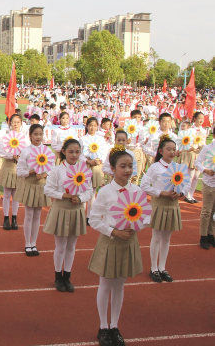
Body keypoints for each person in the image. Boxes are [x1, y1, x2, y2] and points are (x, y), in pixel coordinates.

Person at [88, 145, 147, 346]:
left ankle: (115, 325)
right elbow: (94, 219)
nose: (128, 170)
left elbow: (145, 216)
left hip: (129, 241)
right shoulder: (105, 192)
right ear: (112, 168)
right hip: (111, 241)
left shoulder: (137, 190)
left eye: (130, 166)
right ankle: (103, 327)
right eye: (123, 166)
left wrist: (136, 226)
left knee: (120, 286)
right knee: (105, 285)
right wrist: (115, 231)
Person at [43, 139, 93, 292]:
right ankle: (58, 276)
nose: (74, 155)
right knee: (61, 246)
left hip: (76, 209)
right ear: (63, 151)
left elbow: (89, 191)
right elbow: (48, 190)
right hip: (61, 209)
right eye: (71, 151)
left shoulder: (84, 169)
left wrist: (80, 198)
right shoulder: (57, 170)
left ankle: (67, 276)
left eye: (77, 152)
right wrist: (64, 196)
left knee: (72, 246)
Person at [140, 135, 188, 283]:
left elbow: (185, 185)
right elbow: (144, 186)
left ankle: (162, 267)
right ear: (161, 151)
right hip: (159, 204)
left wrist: (181, 193)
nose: (172, 152)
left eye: (174, 149)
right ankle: (154, 268)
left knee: (167, 238)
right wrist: (161, 193)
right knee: (156, 237)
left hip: (173, 205)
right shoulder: (155, 167)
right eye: (168, 149)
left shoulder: (177, 167)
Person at [15, 124, 51, 256]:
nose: (38, 137)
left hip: (41, 185)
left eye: (40, 134)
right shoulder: (26, 151)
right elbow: (19, 171)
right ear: (30, 135)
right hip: (29, 184)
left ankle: (34, 243)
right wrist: (31, 172)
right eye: (35, 134)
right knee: (29, 215)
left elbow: (51, 169)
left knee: (37, 215)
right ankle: (27, 244)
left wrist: (44, 175)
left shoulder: (47, 151)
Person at [0, 114, 24, 230]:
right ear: (10, 124)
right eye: (13, 122)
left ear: (21, 123)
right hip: (8, 166)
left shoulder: (24, 138)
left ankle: (14, 218)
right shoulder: (6, 137)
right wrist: (11, 156)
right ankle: (5, 218)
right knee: (7, 194)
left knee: (16, 195)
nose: (15, 124)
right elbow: (1, 152)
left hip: (19, 167)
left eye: (18, 122)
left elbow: (28, 152)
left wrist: (20, 156)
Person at [79, 117, 109, 218]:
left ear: (97, 127)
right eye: (90, 125)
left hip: (96, 166)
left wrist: (99, 160)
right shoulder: (82, 139)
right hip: (85, 166)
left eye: (94, 125)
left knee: (93, 191)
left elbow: (104, 153)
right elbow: (79, 154)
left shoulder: (100, 139)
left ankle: (89, 216)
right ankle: (82, 215)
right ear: (87, 126)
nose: (92, 127)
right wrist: (88, 160)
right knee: (83, 190)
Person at [196, 124, 215, 249]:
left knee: (213, 211)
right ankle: (203, 236)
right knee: (206, 210)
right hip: (209, 182)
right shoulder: (207, 148)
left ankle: (211, 235)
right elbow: (197, 162)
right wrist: (206, 170)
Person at [126, 110, 146, 184]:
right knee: (129, 173)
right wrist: (126, 141)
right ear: (131, 118)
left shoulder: (142, 128)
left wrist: (145, 141)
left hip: (139, 151)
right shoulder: (126, 128)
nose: (137, 119)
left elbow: (143, 141)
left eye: (138, 117)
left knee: (137, 173)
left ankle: (135, 191)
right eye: (135, 117)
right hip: (130, 149)